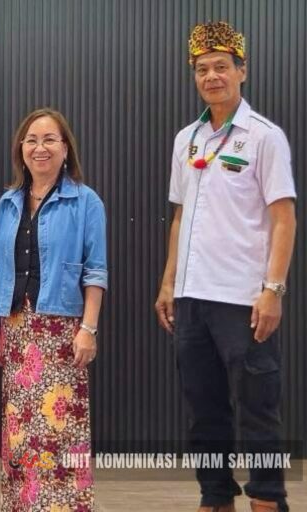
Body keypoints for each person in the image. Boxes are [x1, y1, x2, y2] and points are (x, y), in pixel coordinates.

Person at [154, 21, 296, 512]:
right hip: (192, 297)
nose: (211, 76)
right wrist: (169, 282)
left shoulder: (264, 137)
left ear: (242, 71)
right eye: (201, 69)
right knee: (204, 407)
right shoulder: (187, 139)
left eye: (220, 67)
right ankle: (215, 496)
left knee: (258, 404)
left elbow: (284, 217)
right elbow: (180, 216)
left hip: (243, 298)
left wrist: (273, 289)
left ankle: (267, 497)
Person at [0, 108, 107, 511]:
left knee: (58, 431)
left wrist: (89, 328)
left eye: (50, 139)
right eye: (32, 140)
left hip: (61, 331)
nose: (40, 147)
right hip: (16, 329)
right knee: (20, 432)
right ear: (21, 149)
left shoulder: (86, 202)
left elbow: (95, 271)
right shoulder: (7, 203)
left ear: (65, 148)